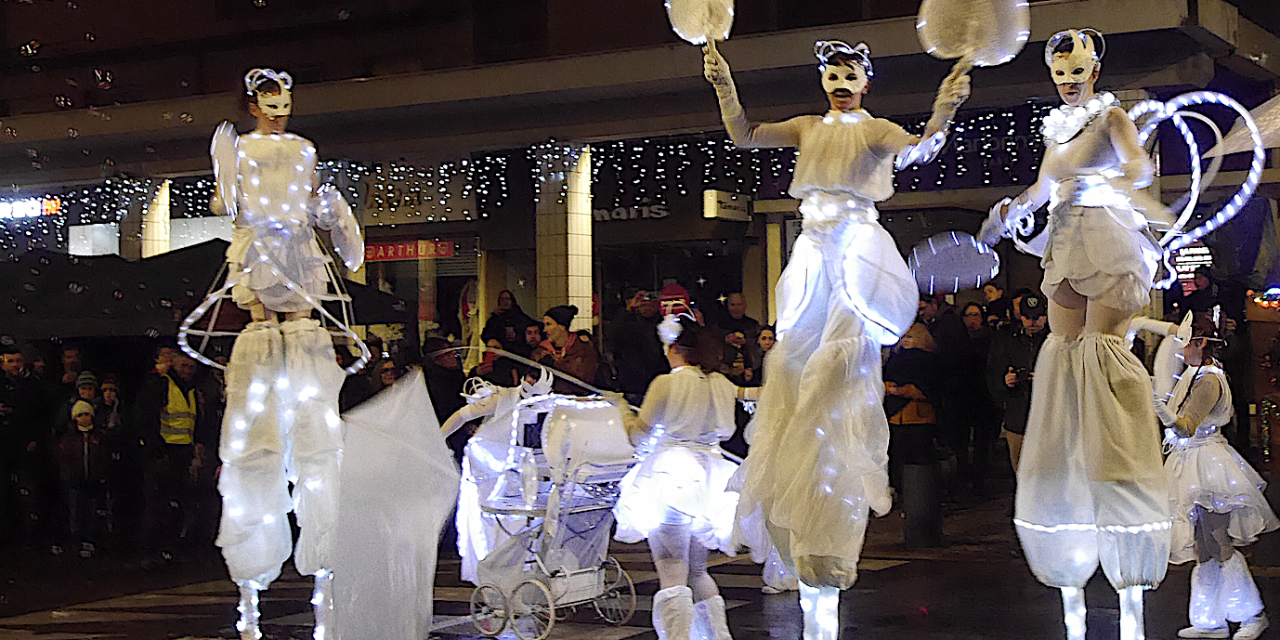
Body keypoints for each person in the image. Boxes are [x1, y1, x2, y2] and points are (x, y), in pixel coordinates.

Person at [704, 37, 969, 639]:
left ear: (866, 81)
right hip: (812, 251)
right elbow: (744, 134)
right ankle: (800, 508)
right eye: (833, 72)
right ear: (823, 79)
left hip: (854, 250)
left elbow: (920, 150)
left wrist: (944, 110)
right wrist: (723, 84)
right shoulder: (805, 126)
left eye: (851, 73)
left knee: (835, 365)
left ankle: (830, 494)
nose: (841, 81)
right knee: (795, 366)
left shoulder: (875, 129)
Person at [978, 29, 1171, 640]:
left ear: (1093, 67)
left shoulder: (1111, 115)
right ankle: (1068, 467)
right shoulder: (1053, 125)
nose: (1068, 78)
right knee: (1061, 356)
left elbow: (1138, 169)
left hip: (1107, 238)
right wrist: (1010, 212)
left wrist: (1112, 184)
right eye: (1060, 70)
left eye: (1077, 68)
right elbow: (1043, 185)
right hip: (1063, 240)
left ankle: (1116, 462)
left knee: (1100, 354)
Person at [200, 67, 365, 640]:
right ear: (253, 103)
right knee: (256, 452)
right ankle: (249, 601)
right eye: (270, 99)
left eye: (286, 99)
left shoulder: (303, 150)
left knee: (319, 453)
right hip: (262, 297)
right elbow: (226, 203)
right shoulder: (240, 147)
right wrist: (236, 184)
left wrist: (330, 214)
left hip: (298, 295)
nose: (281, 108)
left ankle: (322, 595)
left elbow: (324, 216)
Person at [613, 316, 756, 640]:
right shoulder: (720, 382)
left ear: (675, 347)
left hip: (671, 477)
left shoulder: (666, 383)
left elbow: (639, 438)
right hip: (710, 476)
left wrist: (622, 411)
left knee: (672, 569)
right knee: (697, 570)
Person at [1156, 313, 1277, 640]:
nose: (1179, 351)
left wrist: (1159, 408)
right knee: (1202, 544)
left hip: (1207, 465)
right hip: (1191, 461)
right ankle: (1210, 619)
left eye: (1185, 344)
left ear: (1200, 343)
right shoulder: (1193, 374)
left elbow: (1186, 425)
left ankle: (1251, 614)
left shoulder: (1208, 378)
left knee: (1219, 540)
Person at [441, 365, 554, 584]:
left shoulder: (553, 404)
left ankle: (523, 571)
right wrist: (438, 438)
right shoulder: (503, 399)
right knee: (495, 523)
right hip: (494, 475)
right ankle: (498, 570)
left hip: (535, 479)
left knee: (527, 525)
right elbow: (463, 415)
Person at [985, 292, 1049, 473]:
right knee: (1021, 470)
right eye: (1027, 317)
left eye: (1037, 317)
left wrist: (1046, 378)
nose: (1033, 322)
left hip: (1048, 416)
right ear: (1020, 317)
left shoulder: (1055, 342)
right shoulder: (1007, 341)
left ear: (1045, 315)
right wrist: (1005, 381)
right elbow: (993, 375)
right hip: (1017, 416)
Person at [0, 347, 47, 549]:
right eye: (11, 361)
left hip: (24, 445)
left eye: (18, 361)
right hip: (3, 446)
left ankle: (27, 536)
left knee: (27, 491)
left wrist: (33, 437)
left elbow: (38, 414)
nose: (16, 365)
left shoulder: (31, 386)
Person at [57, 400, 114, 558]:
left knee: (92, 512)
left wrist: (101, 475)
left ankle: (90, 540)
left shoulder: (99, 436)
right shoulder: (69, 438)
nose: (84, 418)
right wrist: (69, 476)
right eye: (80, 415)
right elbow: (64, 459)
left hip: (94, 481)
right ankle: (77, 540)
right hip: (75, 482)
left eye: (87, 414)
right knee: (75, 512)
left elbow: (104, 457)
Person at [608, 288, 669, 405]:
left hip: (659, 383)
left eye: (650, 304)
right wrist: (629, 310)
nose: (646, 307)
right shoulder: (627, 323)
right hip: (633, 385)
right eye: (643, 304)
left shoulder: (663, 325)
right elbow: (613, 336)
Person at [534, 305, 600, 393]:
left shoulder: (583, 348)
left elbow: (584, 380)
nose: (544, 330)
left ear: (562, 327)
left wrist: (556, 363)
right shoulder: (542, 350)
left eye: (549, 324)